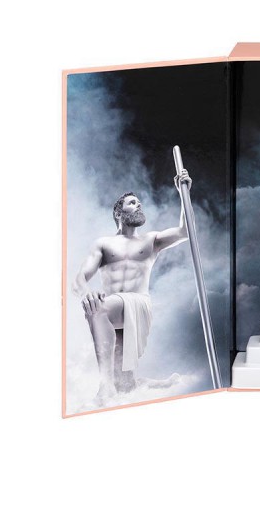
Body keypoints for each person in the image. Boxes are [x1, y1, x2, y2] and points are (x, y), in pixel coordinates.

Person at [73, 170, 191, 404]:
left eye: (139, 202)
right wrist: (86, 293)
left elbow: (185, 232)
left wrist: (183, 193)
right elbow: (80, 278)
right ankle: (165, 383)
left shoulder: (151, 240)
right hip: (112, 312)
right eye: (132, 202)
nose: (138, 205)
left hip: (137, 303)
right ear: (118, 212)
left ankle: (104, 386)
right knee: (125, 386)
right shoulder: (104, 243)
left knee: (99, 309)